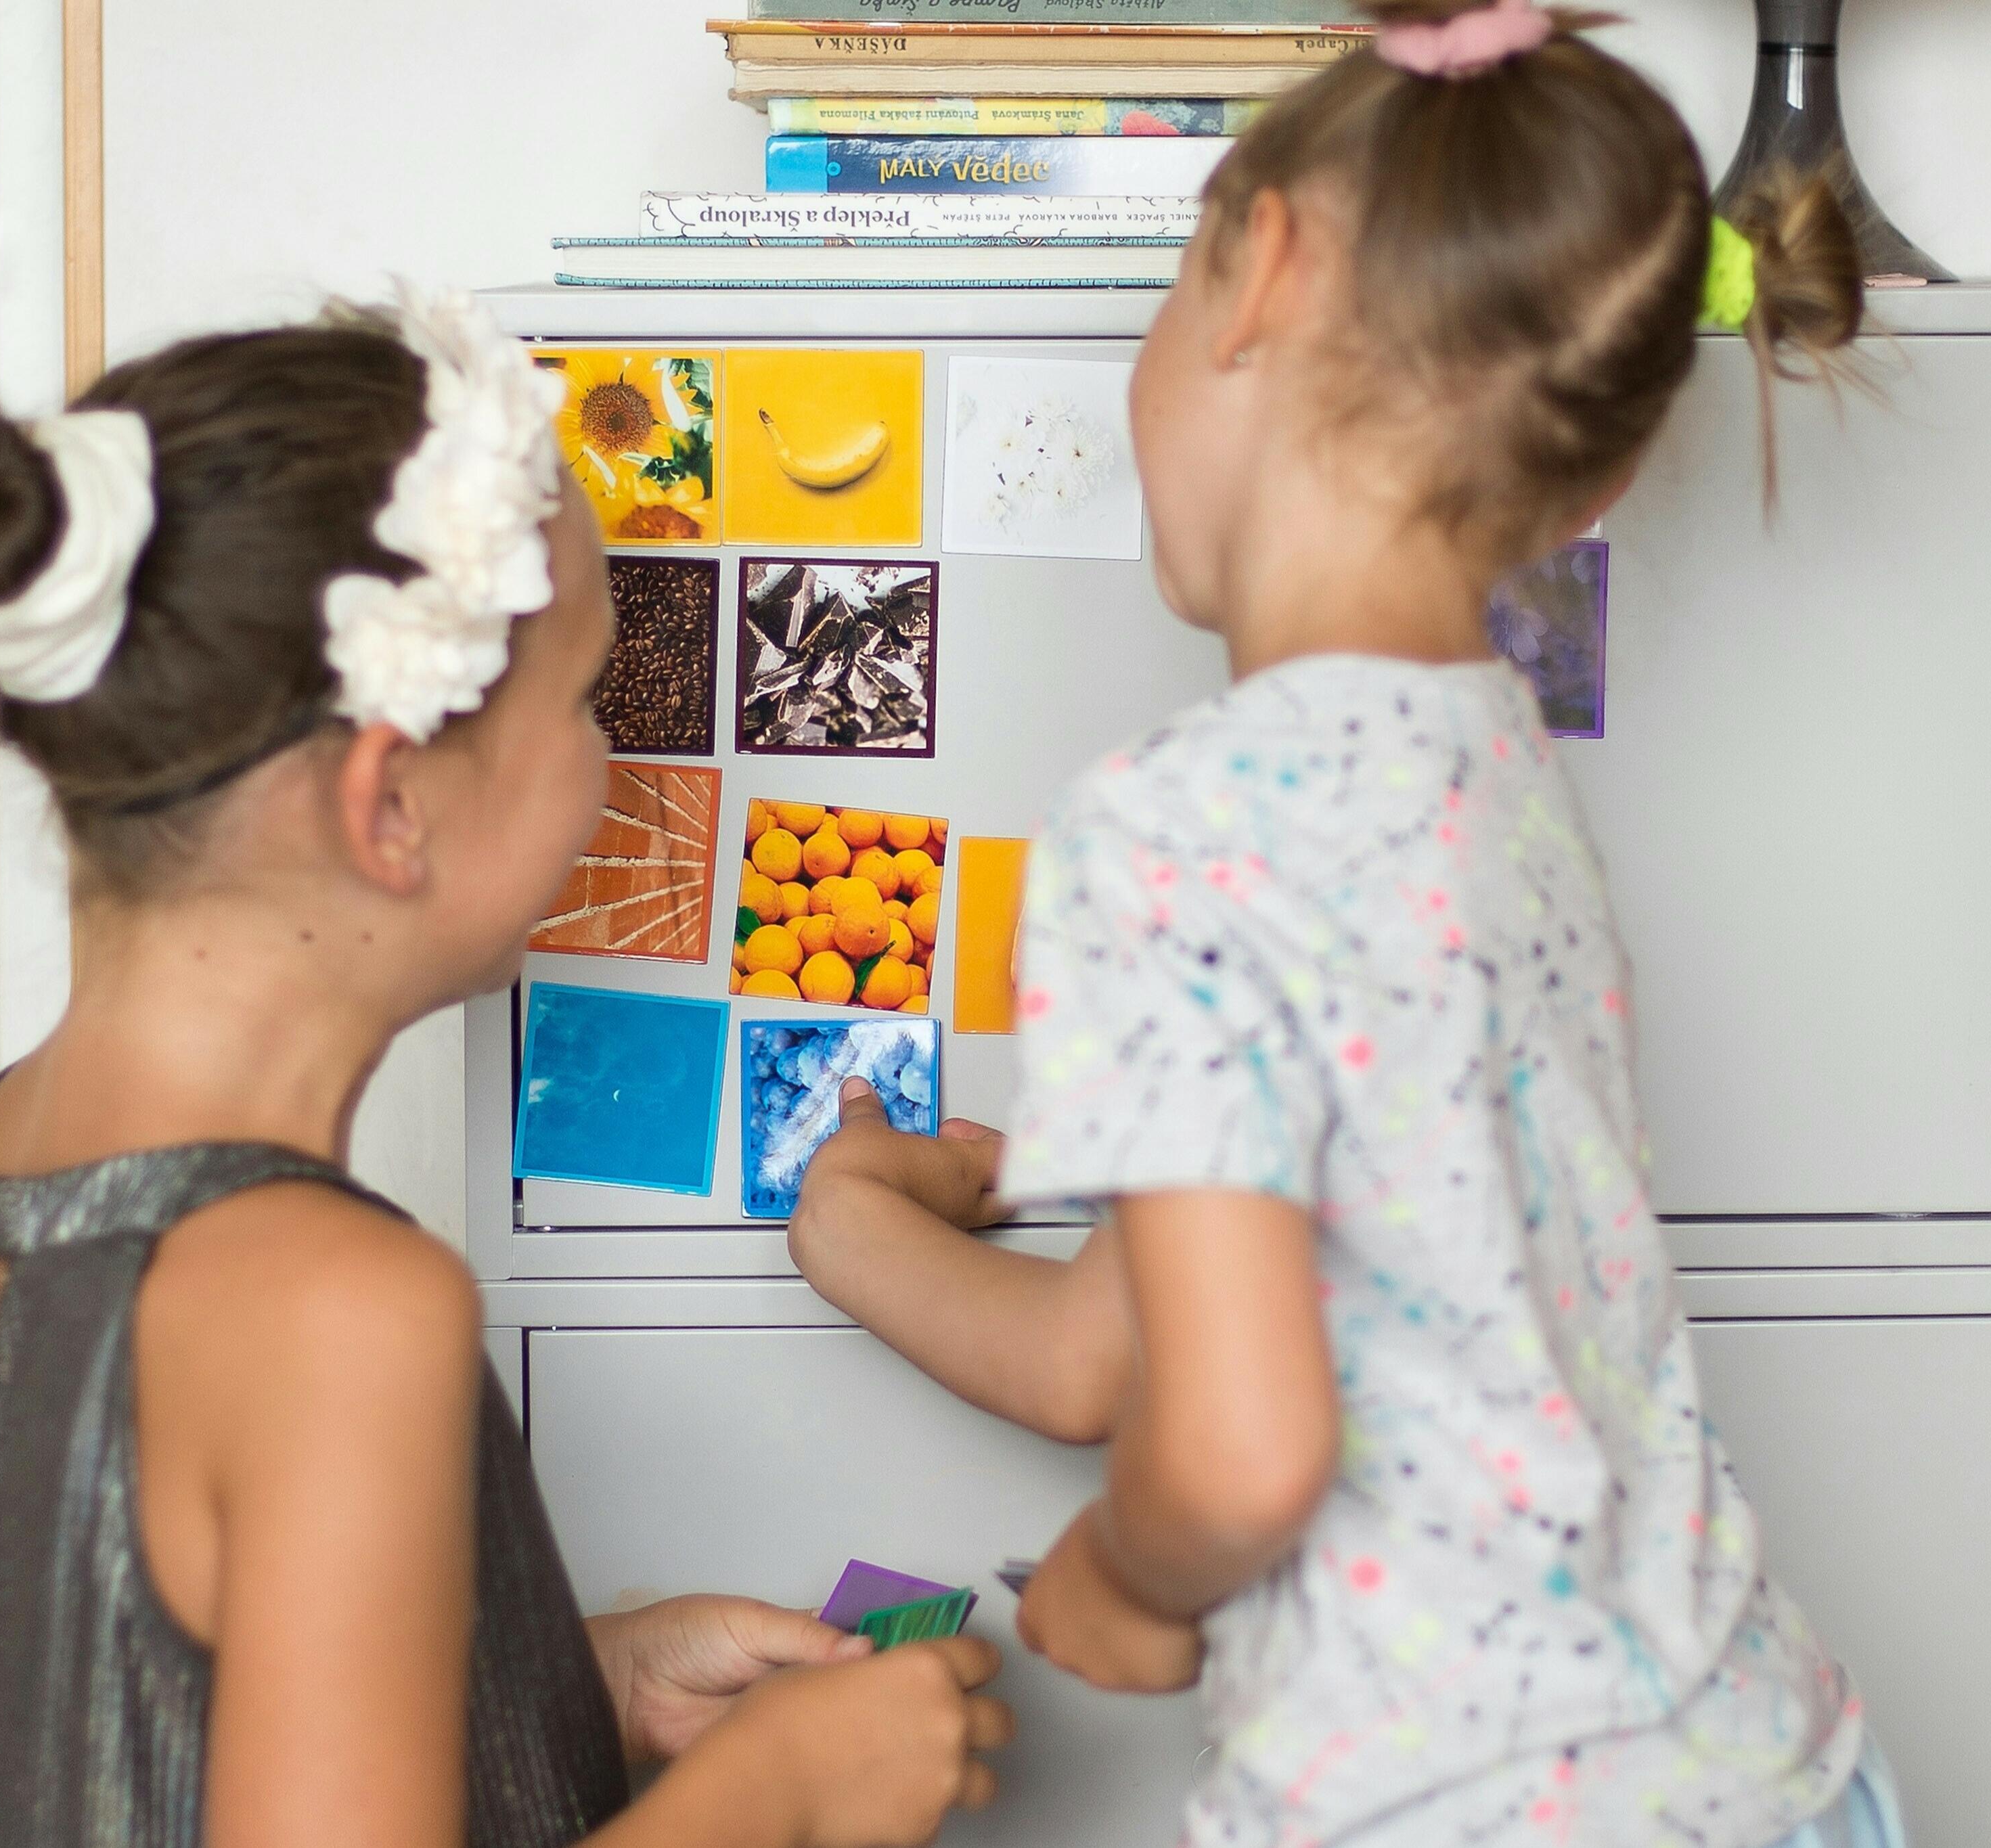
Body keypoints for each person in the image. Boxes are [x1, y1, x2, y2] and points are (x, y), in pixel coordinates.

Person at [786, 2, 1906, 1843]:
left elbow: (1235, 1445)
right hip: (1767, 1764)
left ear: (1261, 272)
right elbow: (1106, 1349)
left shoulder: (1169, 825)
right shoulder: (1494, 782)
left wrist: (1129, 1578)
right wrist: (847, 1224)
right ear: (1602, 478)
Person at [0, 290, 1011, 1848]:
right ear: (390, 802)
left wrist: (577, 1687)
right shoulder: (341, 1311)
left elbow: (123, 1724)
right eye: (586, 698)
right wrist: (782, 1791)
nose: (616, 760)